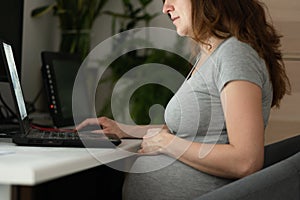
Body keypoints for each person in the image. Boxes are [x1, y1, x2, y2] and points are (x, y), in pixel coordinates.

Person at [76, 0, 291, 199]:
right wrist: (124, 129)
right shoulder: (209, 55)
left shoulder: (235, 54)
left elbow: (246, 161)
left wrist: (168, 144)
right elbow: (190, 132)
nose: (165, 7)